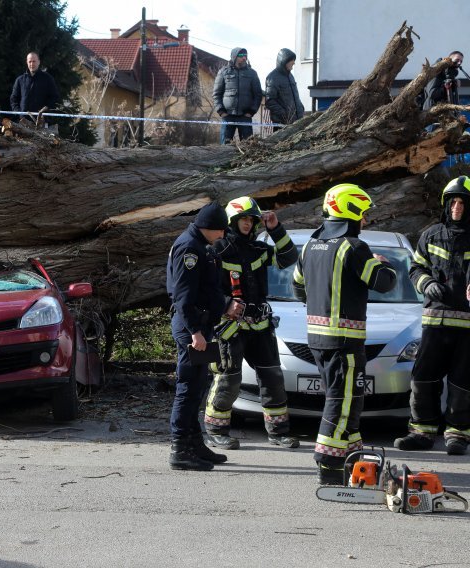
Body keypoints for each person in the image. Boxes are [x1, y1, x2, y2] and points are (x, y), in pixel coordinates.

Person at [292, 184, 397, 485]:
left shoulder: (311, 245)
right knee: (342, 401)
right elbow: (384, 282)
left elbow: (298, 287)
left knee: (347, 401)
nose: (365, 221)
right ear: (351, 212)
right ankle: (328, 465)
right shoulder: (354, 248)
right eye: (363, 214)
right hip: (345, 341)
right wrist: (381, 262)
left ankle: (354, 461)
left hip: (317, 339)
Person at [204, 197, 300, 450]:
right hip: (230, 326)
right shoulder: (217, 249)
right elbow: (205, 287)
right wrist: (226, 304)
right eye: (243, 219)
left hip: (260, 326)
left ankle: (278, 432)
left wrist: (275, 229)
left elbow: (289, 258)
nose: (247, 223)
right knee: (228, 380)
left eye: (251, 219)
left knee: (273, 379)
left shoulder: (260, 249)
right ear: (232, 221)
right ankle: (216, 430)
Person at [394, 177, 470, 456]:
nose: (457, 207)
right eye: (453, 202)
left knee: (463, 382)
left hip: (467, 325)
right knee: (424, 378)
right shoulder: (431, 234)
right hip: (434, 322)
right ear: (446, 204)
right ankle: (421, 433)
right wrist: (426, 283)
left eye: (463, 202)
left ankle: (457, 435)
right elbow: (415, 268)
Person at [166, 202, 243, 471]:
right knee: (188, 388)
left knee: (198, 386)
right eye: (221, 230)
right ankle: (180, 449)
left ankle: (194, 443)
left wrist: (223, 305)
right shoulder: (190, 249)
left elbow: (206, 289)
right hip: (191, 326)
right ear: (210, 228)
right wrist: (195, 333)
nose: (223, 235)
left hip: (200, 323)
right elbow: (183, 297)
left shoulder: (202, 247)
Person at [212, 47, 262, 144]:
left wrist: (251, 111)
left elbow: (258, 95)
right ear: (234, 57)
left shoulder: (252, 73)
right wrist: (221, 111)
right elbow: (216, 94)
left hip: (245, 116)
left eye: (245, 56)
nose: (244, 58)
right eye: (241, 56)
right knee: (225, 146)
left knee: (248, 146)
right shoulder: (223, 72)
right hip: (227, 116)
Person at [10, 52, 59, 125]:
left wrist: (45, 112)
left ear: (39, 62)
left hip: (42, 122)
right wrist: (19, 114)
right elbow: (13, 99)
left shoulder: (48, 79)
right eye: (30, 61)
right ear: (27, 62)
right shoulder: (20, 80)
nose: (32, 64)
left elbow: (54, 97)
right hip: (23, 122)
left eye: (34, 61)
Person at [264, 48, 305, 131]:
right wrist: (284, 114)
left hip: (296, 122)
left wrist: (301, 107)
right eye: (292, 60)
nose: (294, 62)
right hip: (282, 124)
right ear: (284, 61)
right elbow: (270, 101)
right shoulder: (272, 78)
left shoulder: (290, 76)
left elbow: (295, 96)